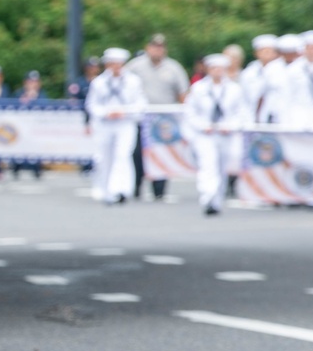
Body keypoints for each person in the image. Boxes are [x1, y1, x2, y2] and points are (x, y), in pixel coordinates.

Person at [125, 33, 190, 200]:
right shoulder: (135, 66)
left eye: (160, 47)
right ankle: (136, 187)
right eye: (154, 47)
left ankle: (159, 191)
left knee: (162, 153)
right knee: (137, 153)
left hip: (164, 120)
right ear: (148, 48)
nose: (157, 50)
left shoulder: (173, 68)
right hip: (142, 117)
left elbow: (183, 93)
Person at [183, 54, 245, 217]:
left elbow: (241, 113)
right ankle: (208, 197)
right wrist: (202, 126)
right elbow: (190, 112)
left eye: (220, 68)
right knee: (207, 165)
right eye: (214, 68)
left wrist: (231, 126)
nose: (217, 71)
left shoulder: (234, 89)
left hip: (225, 133)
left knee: (221, 168)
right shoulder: (199, 88)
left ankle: (216, 200)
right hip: (205, 133)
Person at [85, 48, 147, 205]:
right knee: (104, 157)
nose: (115, 67)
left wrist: (125, 112)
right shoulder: (99, 82)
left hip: (125, 122)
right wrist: (105, 113)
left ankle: (121, 189)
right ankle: (105, 189)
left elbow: (140, 104)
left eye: (118, 64)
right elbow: (92, 105)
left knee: (123, 155)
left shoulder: (133, 81)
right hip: (105, 123)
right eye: (111, 64)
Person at [13, 70, 50, 179]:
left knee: (35, 148)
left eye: (35, 82)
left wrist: (34, 98)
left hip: (35, 126)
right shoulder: (19, 93)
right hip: (21, 126)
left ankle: (36, 169)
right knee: (19, 148)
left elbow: (46, 107)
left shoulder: (42, 95)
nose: (33, 84)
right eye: (30, 81)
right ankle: (16, 167)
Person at [239, 34, 279, 124]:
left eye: (269, 51)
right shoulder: (249, 72)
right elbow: (243, 97)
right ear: (256, 53)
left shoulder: (283, 70)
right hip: (252, 115)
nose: (266, 53)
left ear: (275, 53)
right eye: (263, 51)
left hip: (277, 116)